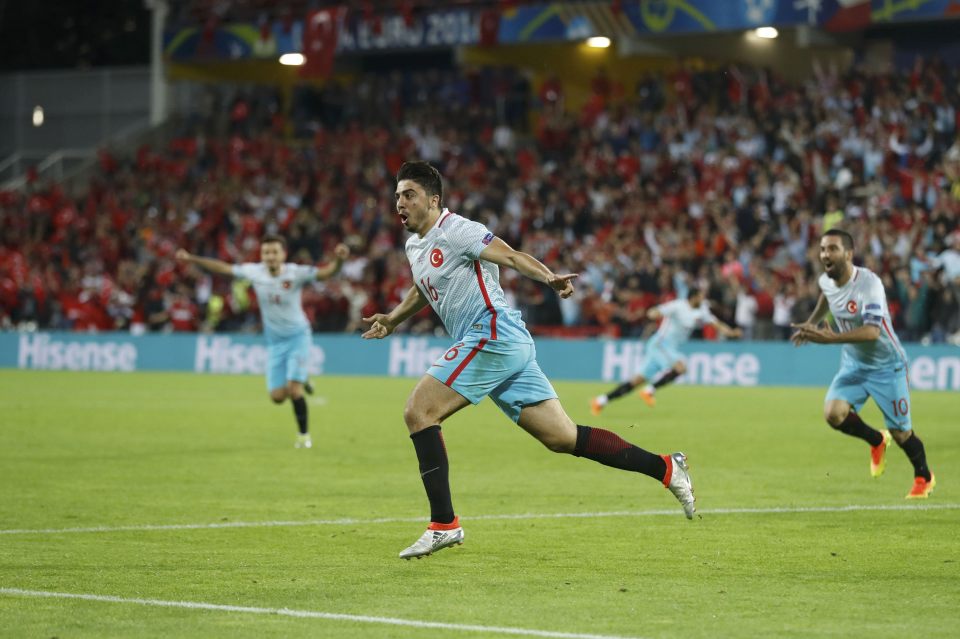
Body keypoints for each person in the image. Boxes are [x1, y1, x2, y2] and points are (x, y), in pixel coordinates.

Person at [362, 161, 696, 560]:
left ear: (434, 201)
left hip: (493, 333)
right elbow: (423, 288)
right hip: (501, 344)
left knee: (419, 411)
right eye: (397, 195)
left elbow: (512, 256)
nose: (399, 202)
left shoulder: (457, 229)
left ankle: (444, 524)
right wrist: (393, 319)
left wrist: (549, 277)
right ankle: (666, 468)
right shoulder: (414, 244)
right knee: (563, 437)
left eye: (409, 194)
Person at [790, 229, 935, 499]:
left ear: (848, 253)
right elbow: (826, 296)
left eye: (832, 249)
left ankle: (924, 476)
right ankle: (876, 440)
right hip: (854, 364)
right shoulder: (827, 280)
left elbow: (872, 332)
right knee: (833, 414)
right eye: (822, 249)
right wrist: (811, 323)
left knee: (902, 433)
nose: (825, 254)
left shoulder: (869, 285)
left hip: (887, 366)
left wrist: (830, 338)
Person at [176, 236, 349, 449]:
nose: (270, 257)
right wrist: (192, 258)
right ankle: (303, 378)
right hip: (275, 342)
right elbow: (222, 268)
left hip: (298, 336)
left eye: (274, 252)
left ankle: (304, 436)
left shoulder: (295, 273)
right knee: (277, 397)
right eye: (266, 253)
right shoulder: (254, 272)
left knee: (293, 390)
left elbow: (325, 273)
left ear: (283, 254)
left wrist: (339, 261)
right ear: (262, 255)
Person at [590, 289, 741, 416]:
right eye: (701, 296)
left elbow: (716, 324)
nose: (703, 299)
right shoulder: (677, 306)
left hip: (669, 349)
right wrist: (652, 313)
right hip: (660, 344)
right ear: (693, 297)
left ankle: (600, 401)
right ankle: (649, 391)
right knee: (681, 367)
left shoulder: (702, 311)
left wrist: (731, 332)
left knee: (636, 381)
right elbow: (657, 311)